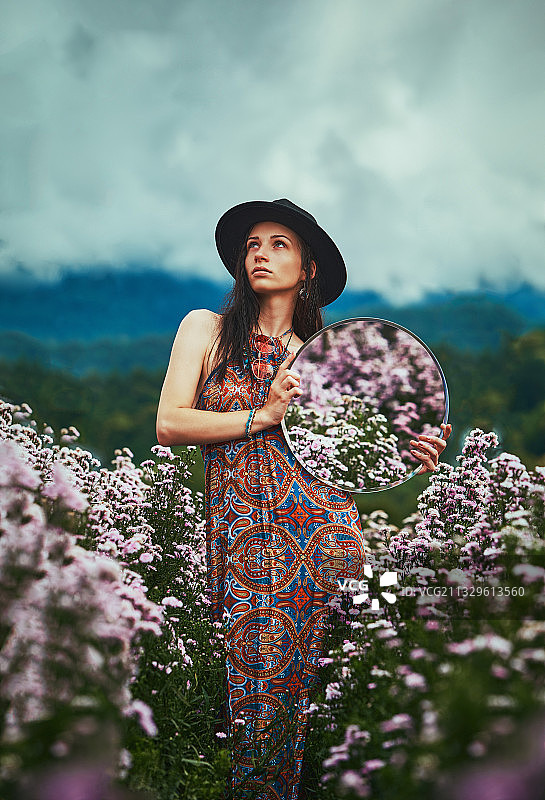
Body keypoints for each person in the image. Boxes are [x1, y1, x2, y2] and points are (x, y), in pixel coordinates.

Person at [156, 198, 451, 799]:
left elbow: (354, 456)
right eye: (252, 245)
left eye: (279, 244)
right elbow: (169, 423)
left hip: (328, 539)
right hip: (248, 547)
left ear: (308, 268)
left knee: (335, 705)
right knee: (258, 707)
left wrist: (411, 453)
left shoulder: (328, 355)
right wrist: (261, 416)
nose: (260, 255)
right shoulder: (206, 329)